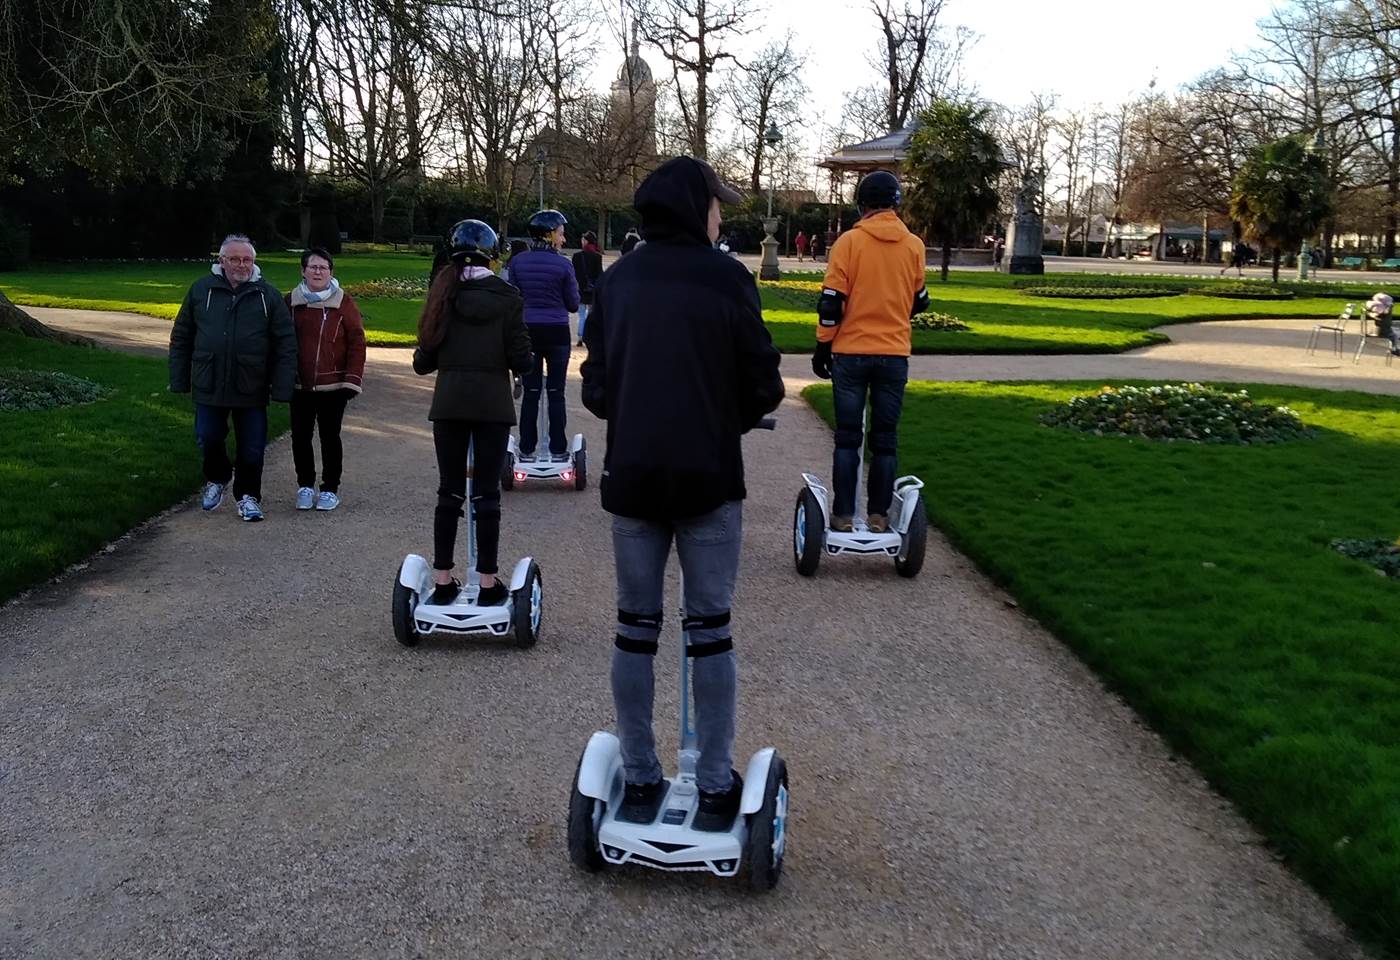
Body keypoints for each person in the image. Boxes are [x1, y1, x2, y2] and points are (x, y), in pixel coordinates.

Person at [581, 156, 784, 830]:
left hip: (634, 476)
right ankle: (715, 778)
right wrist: (719, 412)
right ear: (698, 207)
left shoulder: (617, 282)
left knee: (635, 630)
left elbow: (598, 389)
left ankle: (640, 776)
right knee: (711, 630)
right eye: (717, 204)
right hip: (707, 477)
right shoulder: (728, 279)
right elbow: (765, 385)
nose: (722, 214)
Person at [413, 220, 533, 606]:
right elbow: (521, 359)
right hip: (491, 404)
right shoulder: (508, 296)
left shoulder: (443, 293)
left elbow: (422, 361)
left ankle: (444, 579)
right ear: (491, 254)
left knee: (448, 490)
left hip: (449, 402)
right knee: (486, 494)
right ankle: (486, 581)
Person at [810, 170, 928, 534]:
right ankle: (879, 516)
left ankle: (844, 515)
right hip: (893, 353)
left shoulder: (849, 243)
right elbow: (920, 301)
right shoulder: (914, 246)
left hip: (851, 352)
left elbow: (831, 304)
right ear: (896, 204)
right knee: (885, 439)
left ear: (862, 205)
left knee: (848, 436)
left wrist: (822, 346)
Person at [169, 233, 297, 523]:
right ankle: (217, 477)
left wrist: (283, 385)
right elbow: (182, 336)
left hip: (251, 383)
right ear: (222, 261)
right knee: (207, 436)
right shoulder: (202, 290)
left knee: (251, 447)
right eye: (235, 259)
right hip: (209, 380)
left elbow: (285, 343)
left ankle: (248, 497)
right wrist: (179, 379)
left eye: (247, 259)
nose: (242, 265)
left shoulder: (268, 295)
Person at [287, 247, 366, 512]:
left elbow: (357, 341)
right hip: (299, 385)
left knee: (330, 437)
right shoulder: (291, 302)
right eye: (313, 267)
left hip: (333, 386)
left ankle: (330, 488)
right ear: (303, 271)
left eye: (323, 267)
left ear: (331, 272)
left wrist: (351, 380)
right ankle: (305, 486)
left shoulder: (344, 303)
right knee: (300, 436)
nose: (318, 271)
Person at [506, 209, 580, 460]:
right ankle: (558, 448)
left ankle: (527, 448)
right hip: (557, 332)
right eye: (561, 233)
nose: (564, 238)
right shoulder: (563, 265)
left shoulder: (517, 263)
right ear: (549, 235)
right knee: (557, 392)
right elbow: (573, 303)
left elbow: (514, 297)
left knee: (532, 392)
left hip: (529, 332)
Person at [571, 230, 603, 347]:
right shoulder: (597, 256)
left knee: (581, 315)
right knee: (591, 314)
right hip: (592, 289)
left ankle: (580, 336)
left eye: (583, 239)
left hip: (580, 289)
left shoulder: (577, 256)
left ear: (586, 241)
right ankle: (590, 337)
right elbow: (600, 274)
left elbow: (572, 274)